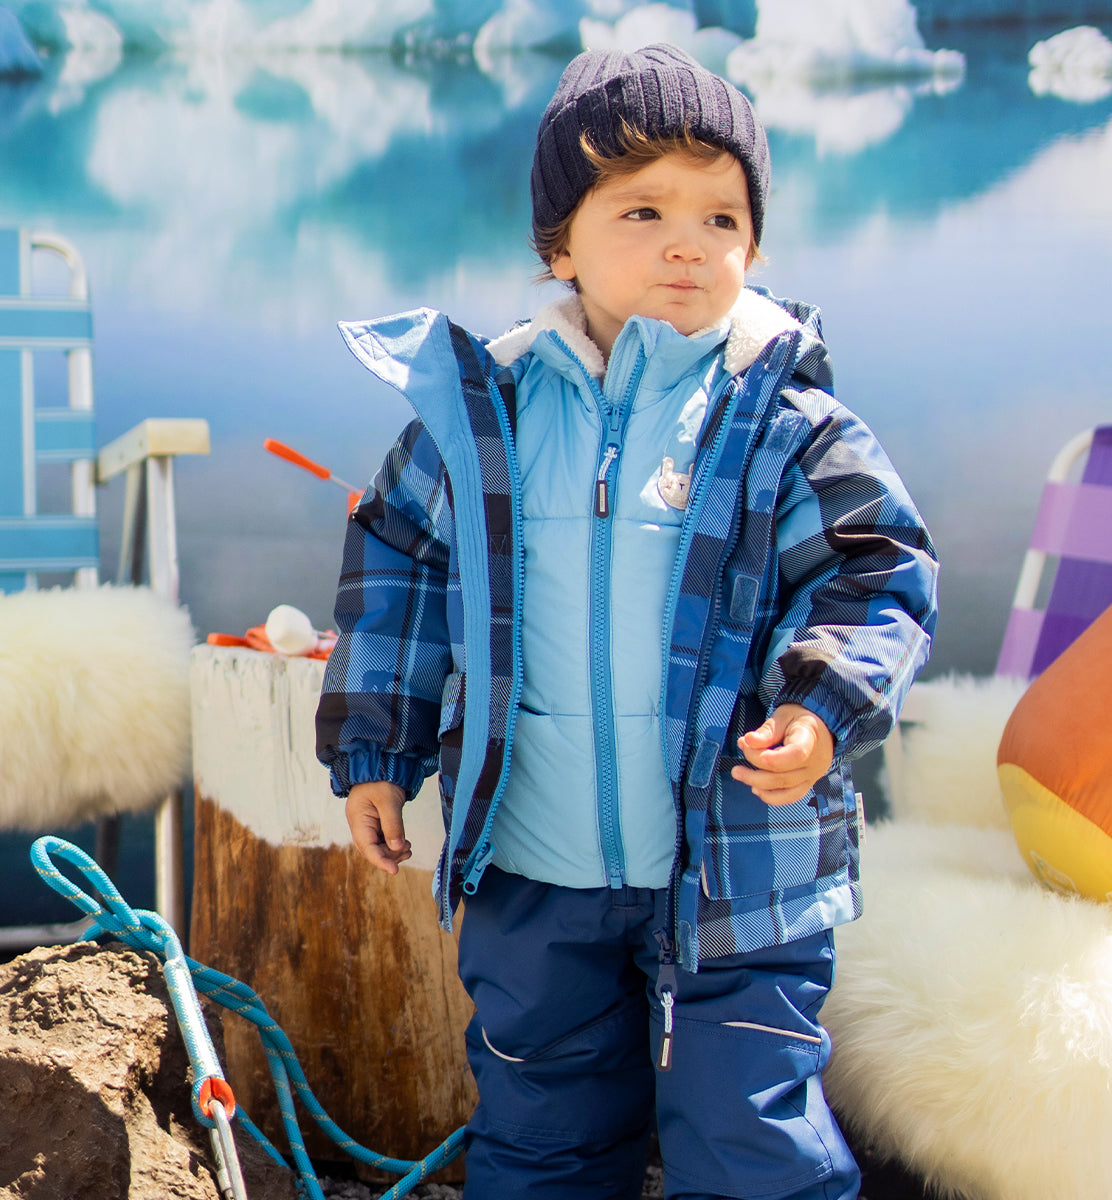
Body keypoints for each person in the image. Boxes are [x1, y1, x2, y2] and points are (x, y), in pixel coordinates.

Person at [316, 42, 938, 1200]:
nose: (688, 243)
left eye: (722, 216)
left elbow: (877, 569)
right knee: (544, 1119)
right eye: (643, 209)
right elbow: (399, 561)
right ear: (561, 245)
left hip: (740, 865)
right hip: (536, 855)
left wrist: (818, 704)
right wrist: (376, 750)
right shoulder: (481, 416)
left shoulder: (788, 420)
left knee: (751, 1130)